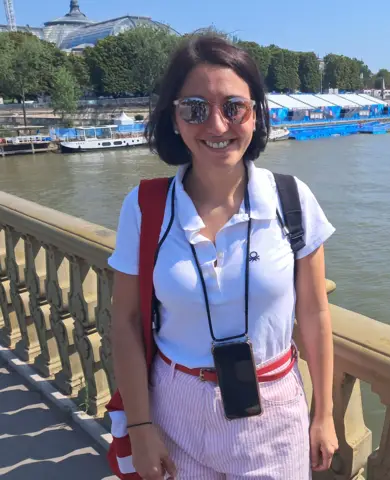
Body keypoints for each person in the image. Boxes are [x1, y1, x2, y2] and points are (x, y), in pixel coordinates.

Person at [107, 33, 338, 479]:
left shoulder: (292, 200)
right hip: (176, 408)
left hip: (274, 409)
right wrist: (140, 426)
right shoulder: (144, 207)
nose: (216, 125)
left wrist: (323, 413)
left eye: (234, 107)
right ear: (174, 118)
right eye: (195, 108)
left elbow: (314, 313)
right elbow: (127, 322)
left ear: (255, 115)